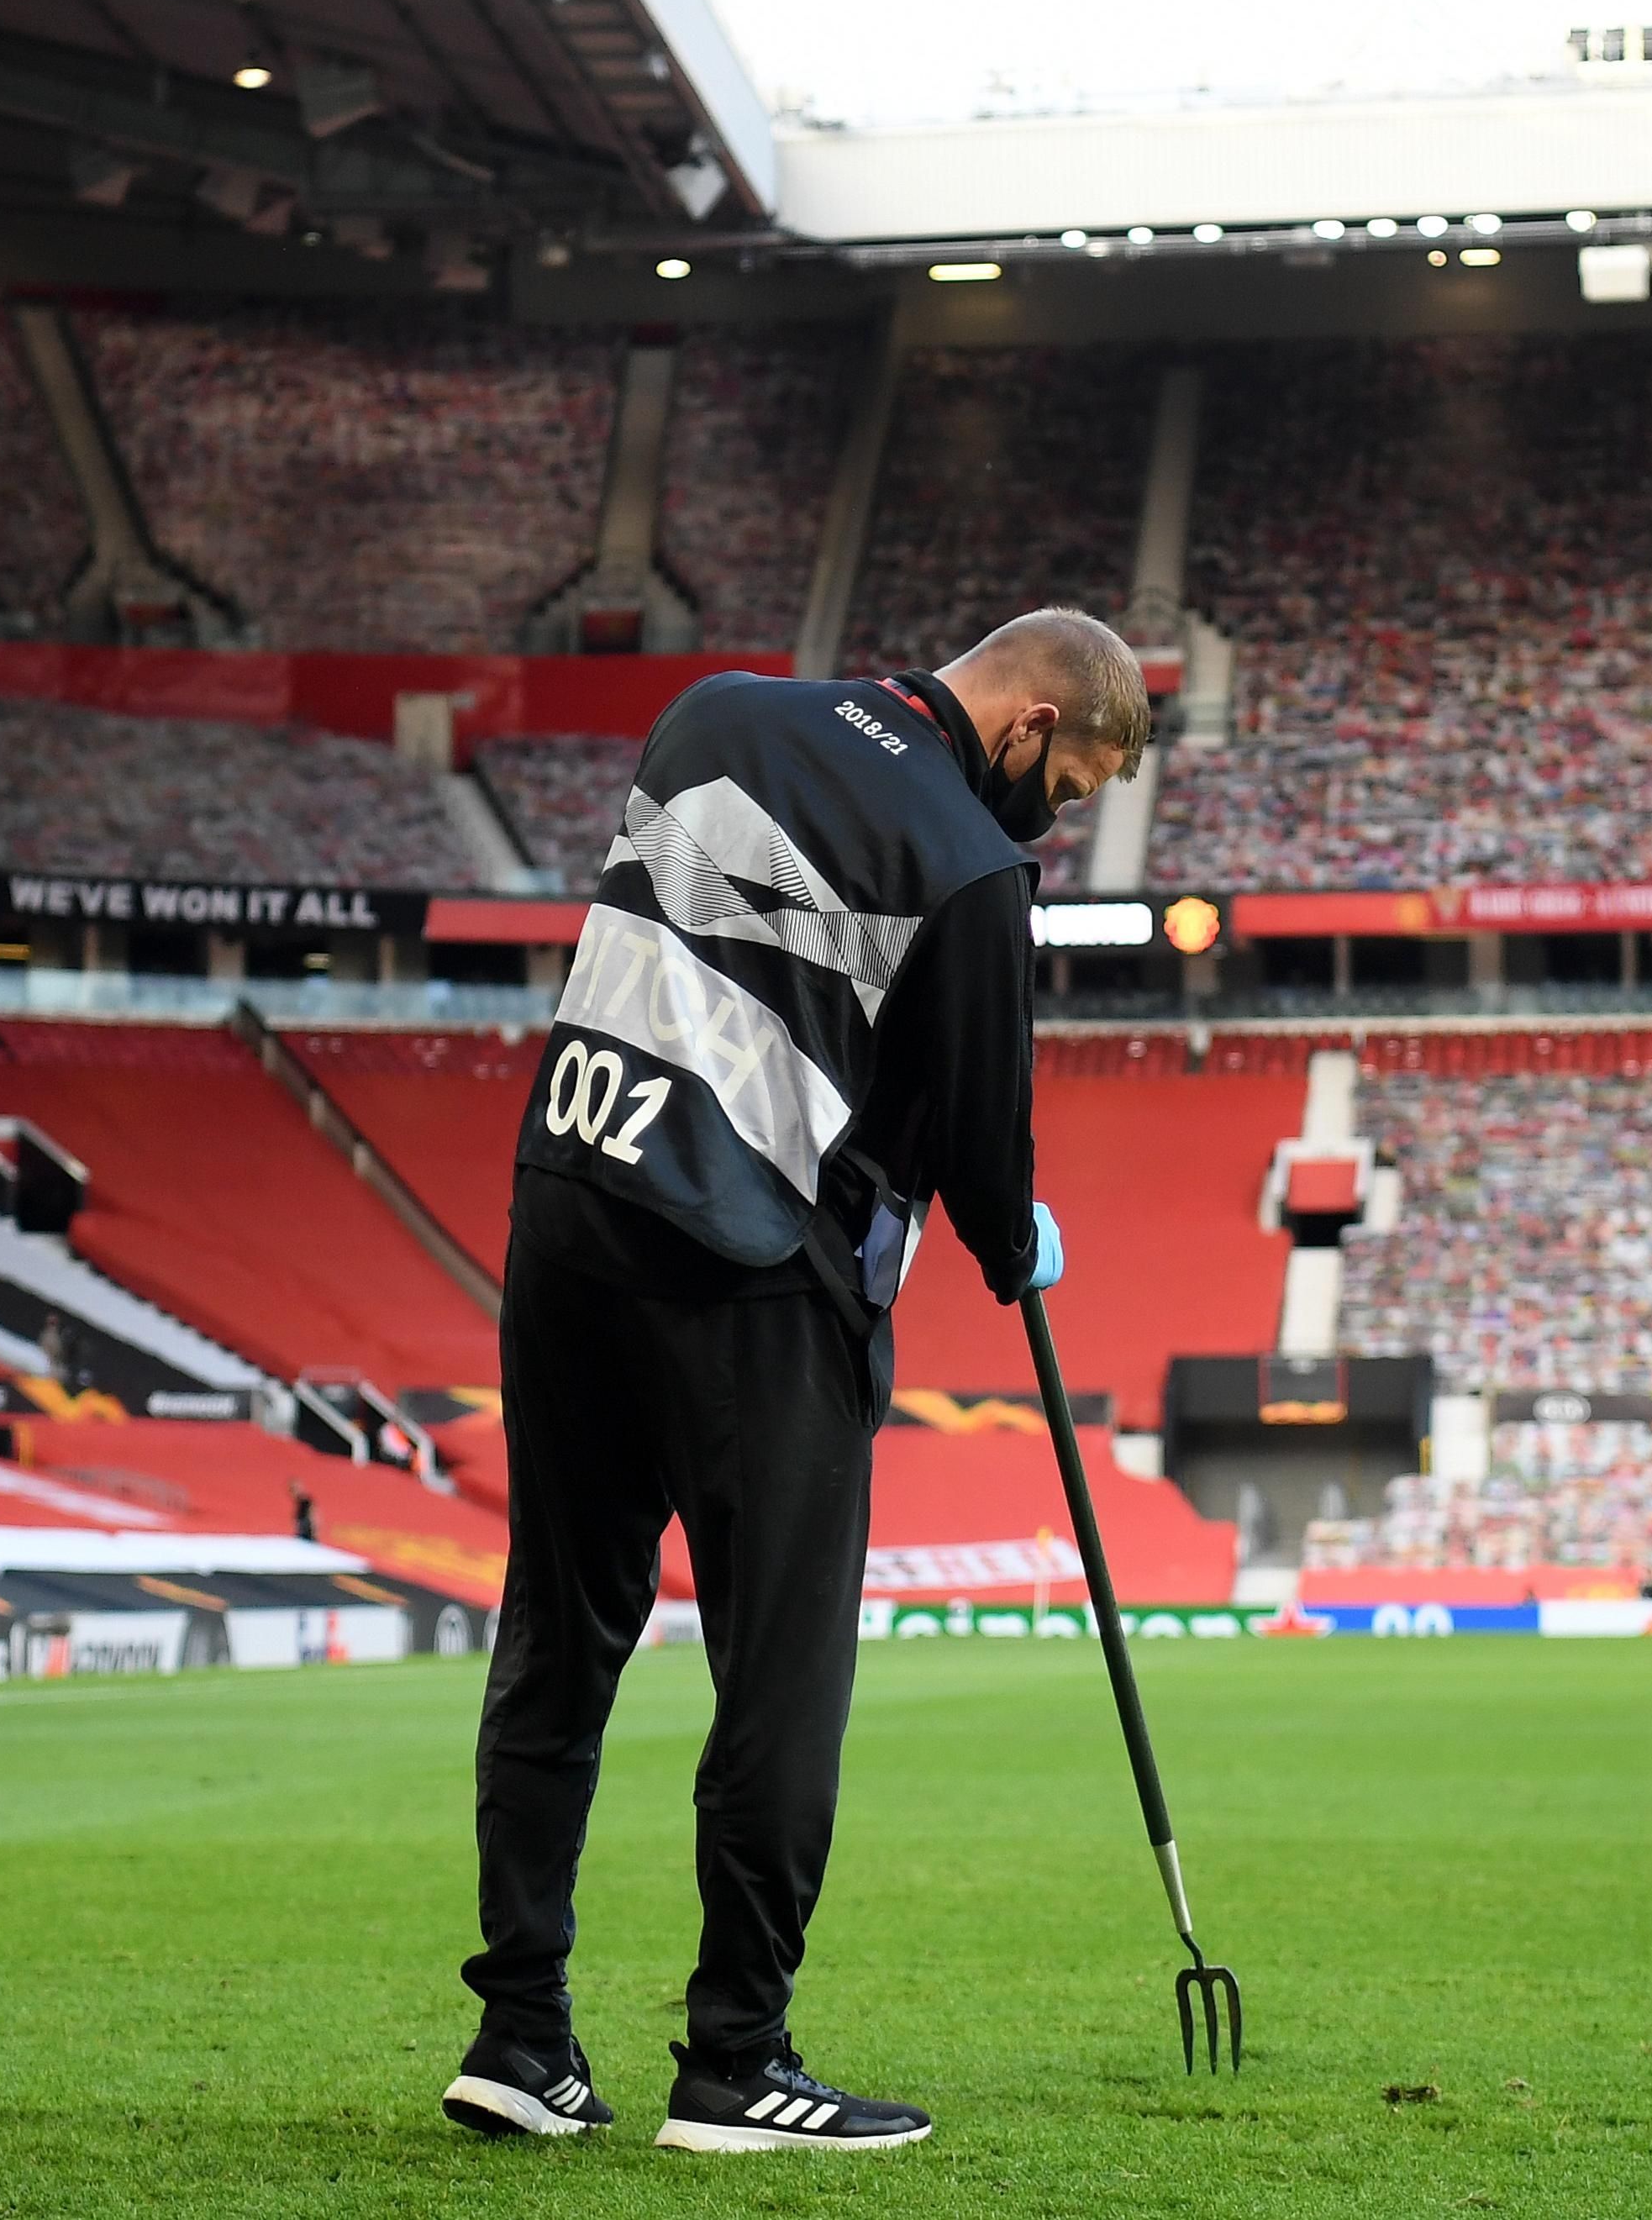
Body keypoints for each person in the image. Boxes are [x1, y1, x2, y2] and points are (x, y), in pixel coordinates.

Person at [443, 608, 1151, 2154]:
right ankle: (737, 2062)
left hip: (566, 1207)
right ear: (1029, 725)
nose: (1062, 814)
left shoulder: (712, 714)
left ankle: (520, 2038)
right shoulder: (971, 863)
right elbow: (983, 1157)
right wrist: (1012, 1232)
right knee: (781, 1669)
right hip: (754, 1268)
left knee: (561, 1635)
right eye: (1076, 781)